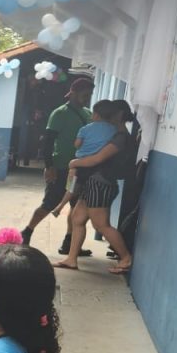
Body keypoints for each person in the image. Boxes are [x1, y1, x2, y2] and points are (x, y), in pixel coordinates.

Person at [54, 101, 135, 274]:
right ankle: (71, 259)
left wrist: (74, 162)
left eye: (110, 114)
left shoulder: (120, 137)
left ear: (119, 115)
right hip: (93, 181)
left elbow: (97, 159)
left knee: (101, 224)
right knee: (77, 218)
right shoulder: (113, 133)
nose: (107, 117)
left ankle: (126, 258)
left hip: (101, 183)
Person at [20, 77, 94, 255]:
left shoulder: (88, 114)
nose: (87, 98)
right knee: (50, 203)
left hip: (81, 168)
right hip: (61, 167)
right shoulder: (59, 113)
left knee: (76, 208)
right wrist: (49, 166)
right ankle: (27, 232)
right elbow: (48, 141)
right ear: (73, 92)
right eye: (84, 95)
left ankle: (69, 243)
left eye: (89, 95)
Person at [49, 99, 120, 218]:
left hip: (78, 164)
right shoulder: (114, 130)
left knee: (71, 187)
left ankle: (60, 206)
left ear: (96, 114)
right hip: (97, 167)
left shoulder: (85, 129)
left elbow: (77, 144)